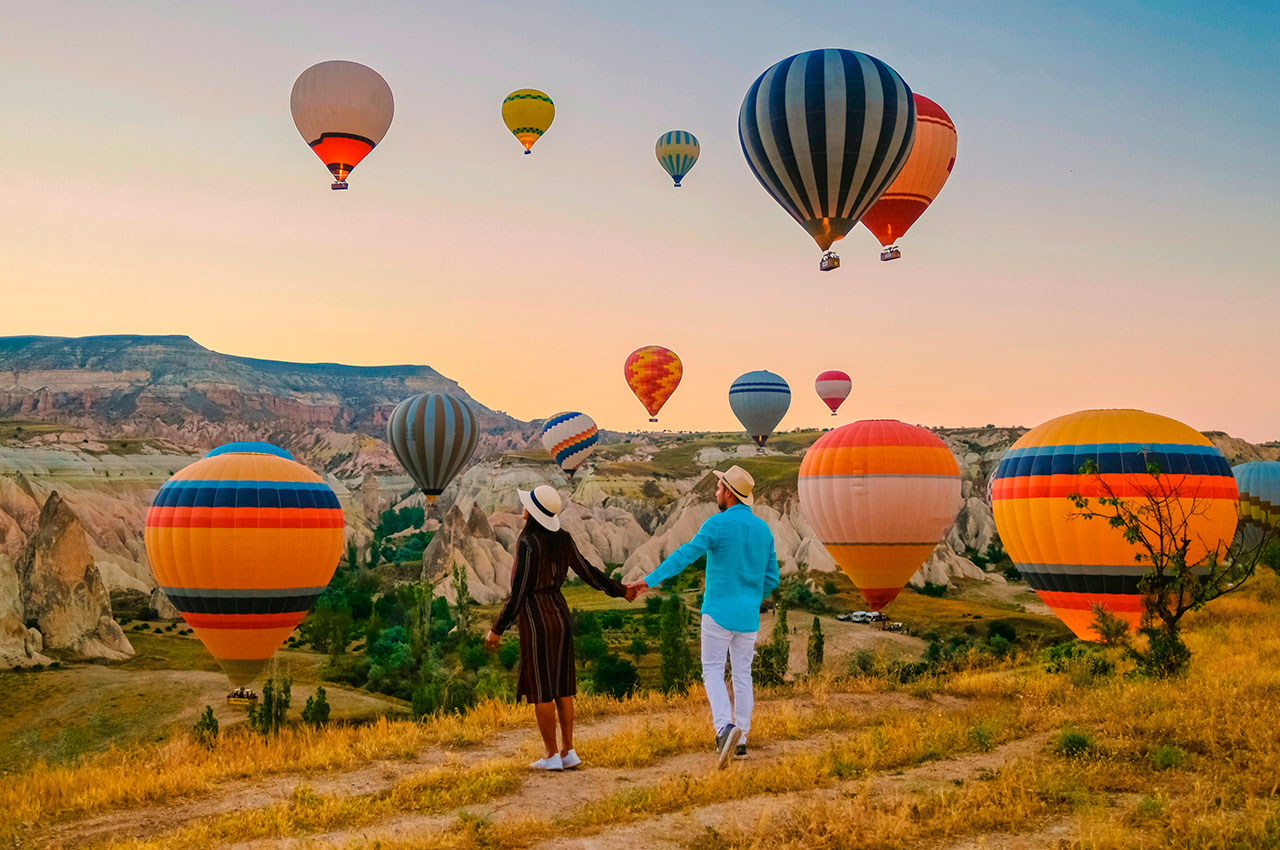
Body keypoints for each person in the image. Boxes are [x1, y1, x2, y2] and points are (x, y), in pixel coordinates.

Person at [627, 465, 778, 769]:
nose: (715, 491)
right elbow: (771, 579)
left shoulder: (717, 524)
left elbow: (685, 554)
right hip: (748, 618)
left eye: (719, 487)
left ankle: (724, 730)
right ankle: (742, 738)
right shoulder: (764, 530)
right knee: (742, 675)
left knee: (711, 670)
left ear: (729, 493)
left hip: (718, 613)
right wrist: (749, 594)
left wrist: (649, 581)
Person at [484, 485, 637, 771]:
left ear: (533, 513)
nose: (523, 508)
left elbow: (518, 591)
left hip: (536, 617)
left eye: (527, 505)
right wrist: (620, 590)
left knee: (541, 688)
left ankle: (551, 755)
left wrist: (498, 628)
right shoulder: (563, 539)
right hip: (560, 614)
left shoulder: (528, 543)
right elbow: (589, 572)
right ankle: (568, 750)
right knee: (562, 686)